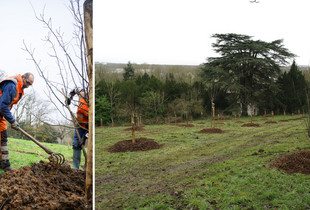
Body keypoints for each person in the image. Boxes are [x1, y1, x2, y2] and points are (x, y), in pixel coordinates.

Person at [0, 73, 34, 172]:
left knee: (3, 137)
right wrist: (12, 121)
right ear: (23, 77)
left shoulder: (20, 89)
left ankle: (4, 164)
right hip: (1, 110)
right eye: (27, 82)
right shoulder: (12, 85)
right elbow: (3, 106)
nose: (28, 86)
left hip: (0, 114)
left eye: (30, 85)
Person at [67, 88, 89, 170]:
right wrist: (69, 98)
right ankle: (75, 168)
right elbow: (75, 90)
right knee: (76, 144)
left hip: (88, 126)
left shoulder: (92, 105)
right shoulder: (83, 94)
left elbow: (92, 127)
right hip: (79, 124)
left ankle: (89, 168)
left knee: (88, 145)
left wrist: (85, 136)